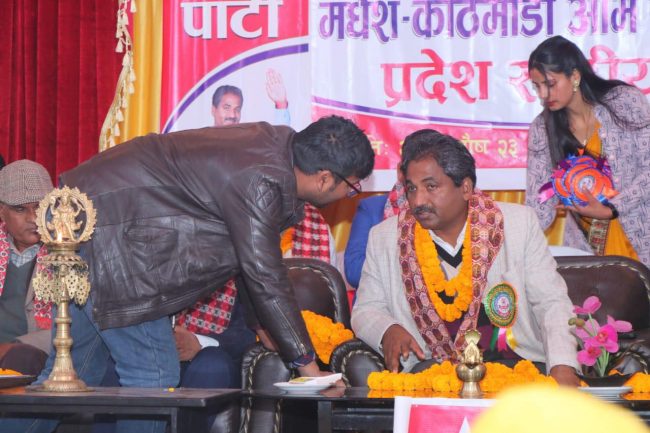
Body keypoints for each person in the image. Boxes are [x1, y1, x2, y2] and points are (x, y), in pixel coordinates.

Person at [0, 116, 374, 433]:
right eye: (352, 186)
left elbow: (249, 261)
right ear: (325, 178)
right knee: (153, 375)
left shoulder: (271, 150)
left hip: (97, 224)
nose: (349, 195)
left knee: (71, 373)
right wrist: (308, 367)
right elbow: (264, 273)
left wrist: (261, 325)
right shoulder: (264, 178)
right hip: (121, 242)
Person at [351, 129, 579, 387]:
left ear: (466, 188)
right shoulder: (384, 237)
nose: (418, 200)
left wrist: (563, 366)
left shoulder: (517, 224)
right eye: (412, 188)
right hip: (434, 371)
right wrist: (387, 329)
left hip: (515, 365)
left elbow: (551, 302)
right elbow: (366, 309)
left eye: (431, 186)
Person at [525, 35, 650, 267]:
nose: (543, 94)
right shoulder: (542, 128)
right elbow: (537, 204)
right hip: (587, 253)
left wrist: (612, 208)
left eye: (549, 84)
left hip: (641, 238)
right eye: (537, 86)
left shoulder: (625, 102)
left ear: (574, 76)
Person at [0, 160, 54, 376]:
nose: (33, 218)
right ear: (1, 211)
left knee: (21, 357)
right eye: (20, 209)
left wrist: (14, 346)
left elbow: (77, 328)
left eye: (39, 207)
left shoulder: (69, 255)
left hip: (36, 355)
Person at [211, 69, 291, 127]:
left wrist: (281, 104)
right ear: (213, 110)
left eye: (237, 109)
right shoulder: (204, 141)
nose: (232, 115)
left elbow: (280, 140)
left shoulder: (246, 141)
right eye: (226, 108)